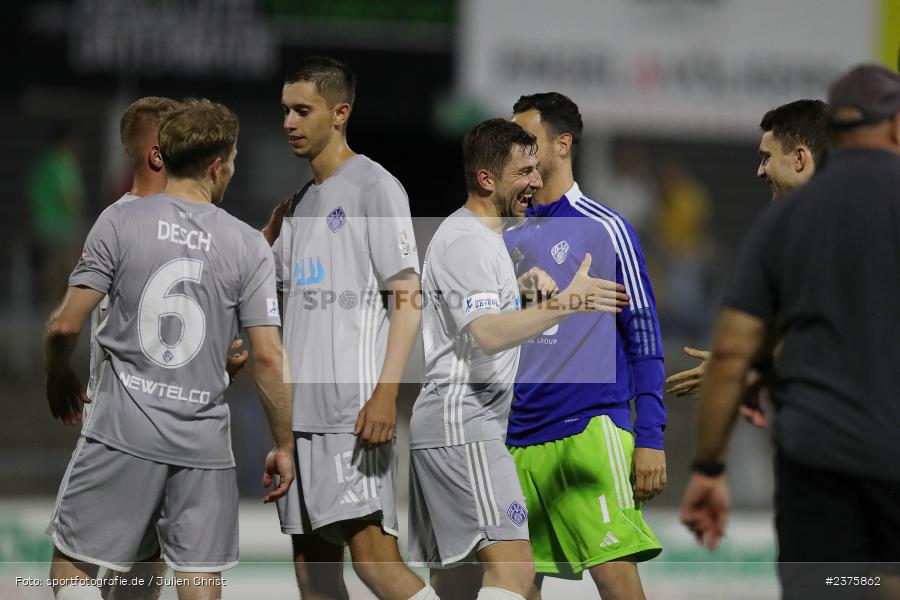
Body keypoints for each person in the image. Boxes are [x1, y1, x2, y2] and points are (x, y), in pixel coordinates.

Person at [44, 99, 294, 600]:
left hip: (125, 430)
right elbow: (268, 356)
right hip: (202, 445)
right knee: (192, 581)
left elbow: (64, 324)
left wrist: (56, 373)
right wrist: (285, 445)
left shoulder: (121, 222)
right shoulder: (246, 244)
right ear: (217, 165)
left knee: (73, 569)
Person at [679, 64, 900, 600]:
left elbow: (735, 353)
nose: (759, 171)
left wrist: (708, 467)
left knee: (827, 587)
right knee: (883, 581)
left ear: (805, 153)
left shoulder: (782, 225)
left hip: (819, 462)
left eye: (766, 157)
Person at [408, 118, 629, 600]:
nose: (536, 180)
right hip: (465, 425)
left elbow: (483, 322)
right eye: (524, 172)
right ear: (487, 179)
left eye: (536, 168)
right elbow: (487, 335)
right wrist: (566, 302)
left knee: (459, 583)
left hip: (454, 426)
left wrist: (523, 294)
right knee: (513, 571)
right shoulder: (467, 241)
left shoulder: (486, 239)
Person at [269, 56, 433, 600]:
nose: (289, 122)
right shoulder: (298, 206)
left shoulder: (374, 186)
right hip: (300, 419)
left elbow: (407, 296)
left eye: (303, 110)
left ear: (340, 113)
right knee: (313, 577)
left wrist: (386, 394)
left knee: (375, 562)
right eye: (286, 110)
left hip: (352, 416)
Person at [504, 93, 664, 599]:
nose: (517, 150)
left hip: (589, 430)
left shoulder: (605, 228)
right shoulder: (506, 235)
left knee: (617, 586)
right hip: (516, 440)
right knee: (516, 586)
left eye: (527, 140)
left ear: (563, 144)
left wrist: (651, 436)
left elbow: (644, 336)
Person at [664, 99, 828, 401]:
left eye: (766, 158)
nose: (760, 171)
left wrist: (739, 367)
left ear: (799, 159)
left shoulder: (838, 227)